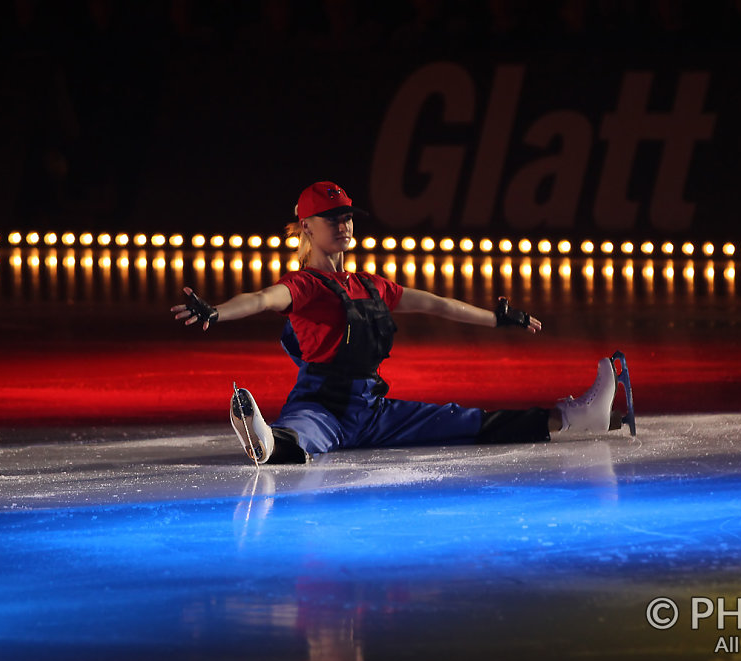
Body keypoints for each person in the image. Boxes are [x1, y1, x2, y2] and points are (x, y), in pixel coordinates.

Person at [171, 181, 634, 465]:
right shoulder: (304, 284)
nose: (345, 225)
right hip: (321, 406)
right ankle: (265, 441)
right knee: (298, 439)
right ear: (305, 228)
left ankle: (579, 417)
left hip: (374, 411)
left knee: (473, 422)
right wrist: (217, 310)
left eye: (348, 216)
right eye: (332, 218)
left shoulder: (371, 285)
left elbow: (438, 305)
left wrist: (498, 318)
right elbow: (261, 298)